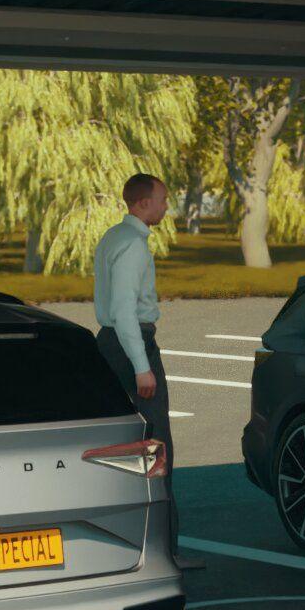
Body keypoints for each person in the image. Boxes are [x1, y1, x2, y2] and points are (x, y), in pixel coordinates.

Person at [92, 173, 196, 567]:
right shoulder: (134, 246)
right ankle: (165, 551)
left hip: (109, 344)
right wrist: (142, 366)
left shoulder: (112, 238)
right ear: (142, 204)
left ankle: (121, 544)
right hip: (132, 345)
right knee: (157, 448)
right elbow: (124, 312)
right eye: (163, 199)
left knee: (118, 445)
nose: (167, 205)